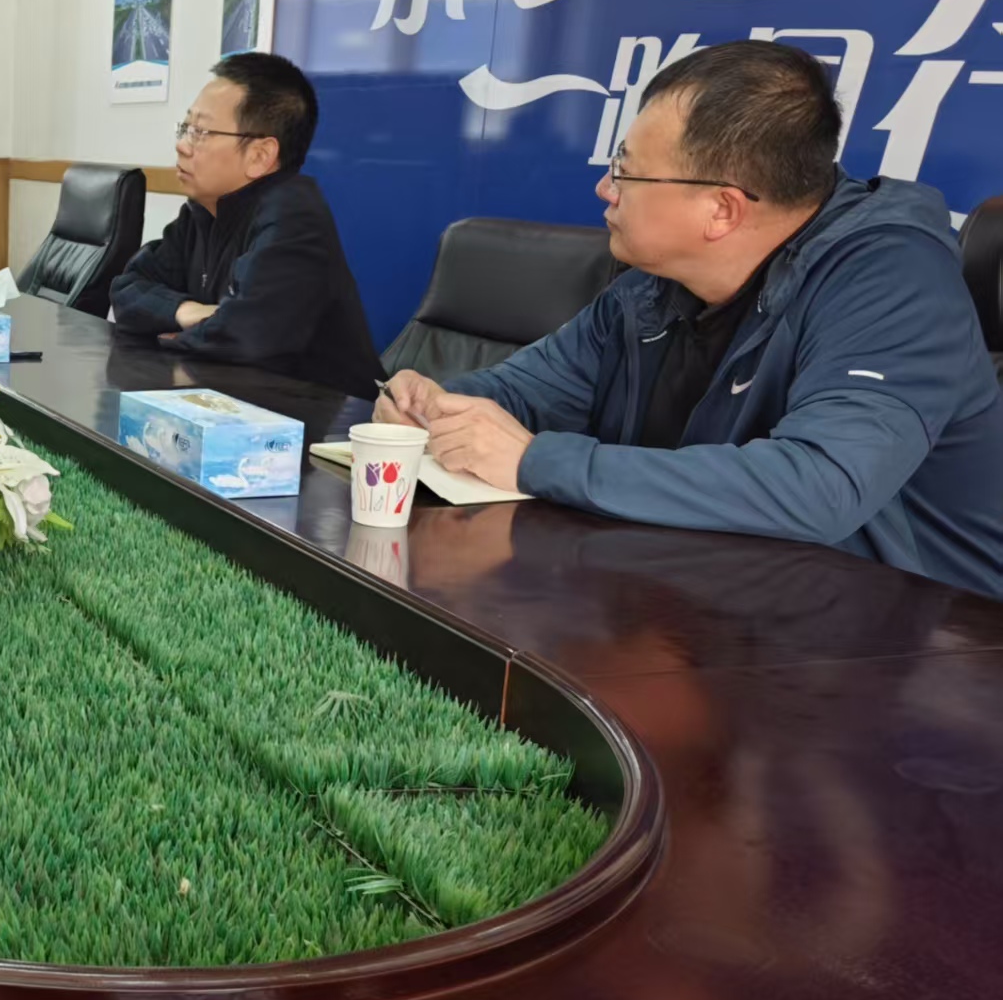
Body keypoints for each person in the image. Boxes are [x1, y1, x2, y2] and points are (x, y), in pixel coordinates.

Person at [380, 40, 1003, 599]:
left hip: (921, 637)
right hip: (712, 598)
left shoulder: (891, 279)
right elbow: (525, 392)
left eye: (626, 170)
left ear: (722, 210)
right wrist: (436, 407)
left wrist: (536, 461)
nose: (605, 189)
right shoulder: (655, 285)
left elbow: (821, 485)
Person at [109, 52, 385, 399]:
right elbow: (127, 289)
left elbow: (245, 337)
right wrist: (186, 311)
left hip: (325, 424)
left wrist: (169, 329)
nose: (181, 145)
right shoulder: (202, 212)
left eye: (200, 132)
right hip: (234, 408)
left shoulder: (295, 215)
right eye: (185, 128)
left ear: (259, 156)